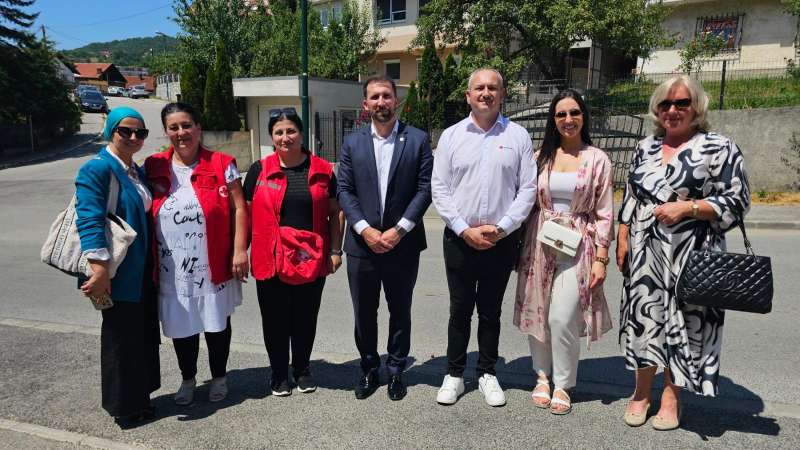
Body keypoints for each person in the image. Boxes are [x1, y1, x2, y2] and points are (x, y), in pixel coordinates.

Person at [617, 75, 750, 430]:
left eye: (681, 103)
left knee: (684, 322)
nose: (672, 110)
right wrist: (622, 236)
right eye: (665, 104)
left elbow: (737, 200)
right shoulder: (645, 146)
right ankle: (641, 392)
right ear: (656, 109)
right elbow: (630, 195)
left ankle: (671, 396)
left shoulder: (718, 147)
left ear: (697, 107)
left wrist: (688, 208)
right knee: (644, 319)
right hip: (645, 253)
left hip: (692, 253)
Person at [431, 68, 537, 407]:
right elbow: (440, 188)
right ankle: (454, 373)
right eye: (479, 88)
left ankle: (487, 372)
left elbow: (528, 189)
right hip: (459, 238)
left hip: (500, 240)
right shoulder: (451, 136)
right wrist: (464, 229)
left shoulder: (518, 136)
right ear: (468, 95)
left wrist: (502, 228)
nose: (486, 93)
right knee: (460, 309)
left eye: (493, 87)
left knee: (490, 311)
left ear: (502, 95)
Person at [513, 89, 614, 415]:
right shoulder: (540, 157)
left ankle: (564, 383)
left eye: (574, 113)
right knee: (538, 310)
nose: (568, 119)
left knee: (562, 315)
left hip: (579, 244)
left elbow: (604, 212)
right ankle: (542, 375)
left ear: (584, 117)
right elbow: (523, 200)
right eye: (561, 114)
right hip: (539, 241)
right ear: (553, 120)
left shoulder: (597, 159)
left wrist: (601, 257)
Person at [144, 102, 249, 405]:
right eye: (174, 127)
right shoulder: (153, 166)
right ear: (166, 132)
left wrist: (239, 250)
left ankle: (219, 377)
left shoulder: (222, 163)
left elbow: (240, 207)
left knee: (217, 325)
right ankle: (188, 379)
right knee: (182, 328)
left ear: (198, 128)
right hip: (171, 267)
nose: (181, 132)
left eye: (187, 125)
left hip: (212, 262)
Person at [337, 75, 433, 401]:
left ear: (396, 100)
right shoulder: (352, 143)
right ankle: (368, 368)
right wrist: (365, 229)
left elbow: (425, 189)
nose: (381, 102)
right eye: (375, 97)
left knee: (400, 310)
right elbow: (344, 190)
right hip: (361, 245)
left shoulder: (417, 139)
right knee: (364, 312)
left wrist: (399, 229)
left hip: (402, 244)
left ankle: (395, 371)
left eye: (387, 96)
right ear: (365, 104)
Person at [243, 108, 344, 397]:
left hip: (310, 259)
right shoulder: (259, 170)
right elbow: (245, 215)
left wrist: (336, 251)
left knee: (305, 318)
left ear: (301, 134)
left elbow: (336, 212)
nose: (285, 137)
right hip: (270, 258)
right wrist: (239, 251)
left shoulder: (323, 170)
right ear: (271, 137)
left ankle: (302, 369)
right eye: (279, 132)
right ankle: (278, 373)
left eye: (291, 131)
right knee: (274, 320)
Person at [75, 107, 160, 425]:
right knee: (121, 340)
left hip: (141, 271)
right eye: (125, 130)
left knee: (142, 335)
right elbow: (89, 218)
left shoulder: (133, 170)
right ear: (111, 131)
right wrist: (99, 269)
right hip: (117, 272)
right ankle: (124, 408)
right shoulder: (98, 168)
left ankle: (141, 398)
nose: (134, 137)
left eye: (140, 132)